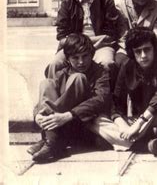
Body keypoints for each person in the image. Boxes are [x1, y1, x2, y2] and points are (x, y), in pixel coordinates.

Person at [90, 27, 157, 154]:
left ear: (154, 48)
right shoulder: (127, 67)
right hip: (139, 118)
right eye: (138, 51)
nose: (143, 56)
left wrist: (139, 123)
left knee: (131, 129)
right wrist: (123, 126)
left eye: (147, 49)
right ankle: (145, 142)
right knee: (96, 119)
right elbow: (115, 102)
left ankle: (126, 141)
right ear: (132, 52)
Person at [30, 34, 111, 163]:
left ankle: (51, 140)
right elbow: (46, 98)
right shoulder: (62, 73)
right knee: (46, 83)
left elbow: (101, 99)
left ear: (92, 55)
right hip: (61, 124)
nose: (81, 62)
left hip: (82, 122)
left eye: (85, 56)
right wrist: (37, 115)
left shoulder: (101, 72)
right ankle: (53, 140)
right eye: (75, 58)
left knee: (78, 78)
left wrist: (69, 115)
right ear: (67, 59)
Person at [46, 0, 120, 79]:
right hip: (75, 47)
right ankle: (53, 96)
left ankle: (106, 97)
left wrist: (87, 42)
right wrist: (82, 44)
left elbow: (110, 35)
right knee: (54, 65)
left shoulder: (105, 1)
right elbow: (62, 36)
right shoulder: (67, 3)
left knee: (107, 63)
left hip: (101, 46)